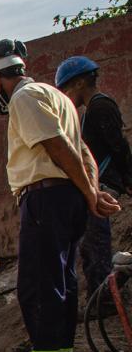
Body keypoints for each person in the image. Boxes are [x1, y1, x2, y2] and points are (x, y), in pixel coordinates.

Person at [0, 39, 121, 352]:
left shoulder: (24, 98)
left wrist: (90, 193)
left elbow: (59, 147)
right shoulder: (59, 98)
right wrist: (91, 192)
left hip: (45, 198)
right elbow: (84, 152)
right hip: (66, 198)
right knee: (61, 283)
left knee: (39, 286)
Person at [55, 56, 132, 301]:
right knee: (90, 245)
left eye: (67, 88)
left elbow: (119, 146)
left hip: (104, 185)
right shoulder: (91, 111)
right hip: (98, 184)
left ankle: (104, 300)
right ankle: (100, 296)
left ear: (79, 83)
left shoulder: (101, 107)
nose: (65, 96)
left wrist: (128, 178)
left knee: (96, 244)